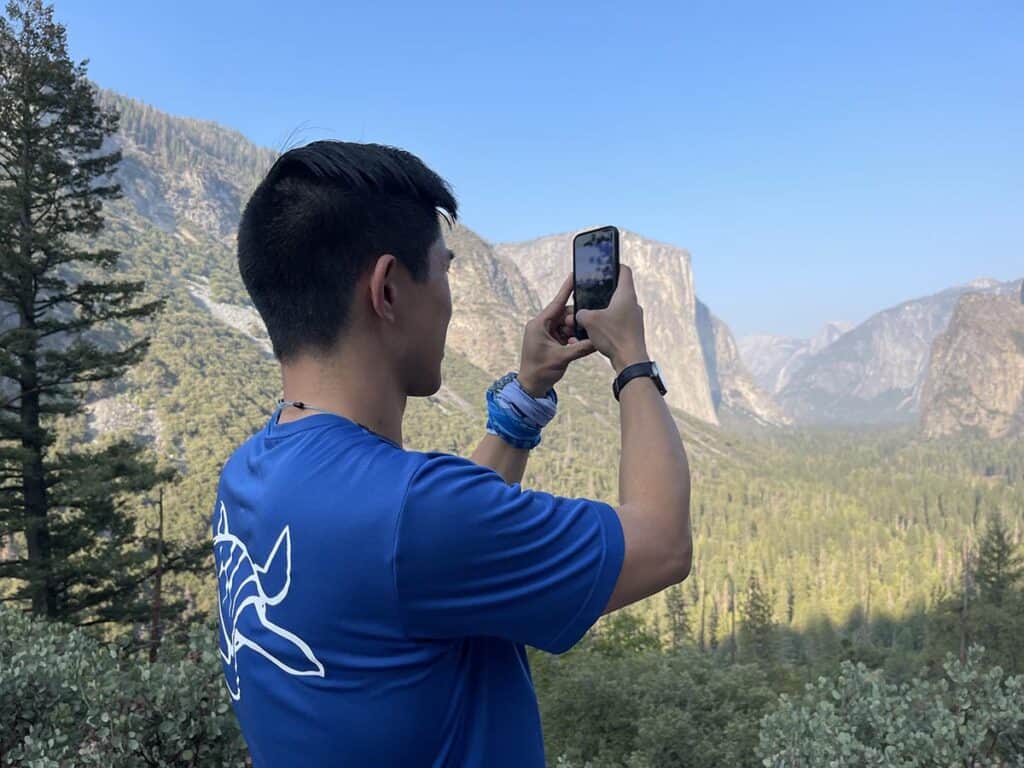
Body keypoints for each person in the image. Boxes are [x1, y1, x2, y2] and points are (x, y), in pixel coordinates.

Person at [212, 140, 692, 767]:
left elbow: (419, 555)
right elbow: (663, 543)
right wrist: (632, 358)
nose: (449, 297)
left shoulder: (248, 474)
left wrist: (526, 396)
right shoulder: (412, 513)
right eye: (444, 270)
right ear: (386, 290)